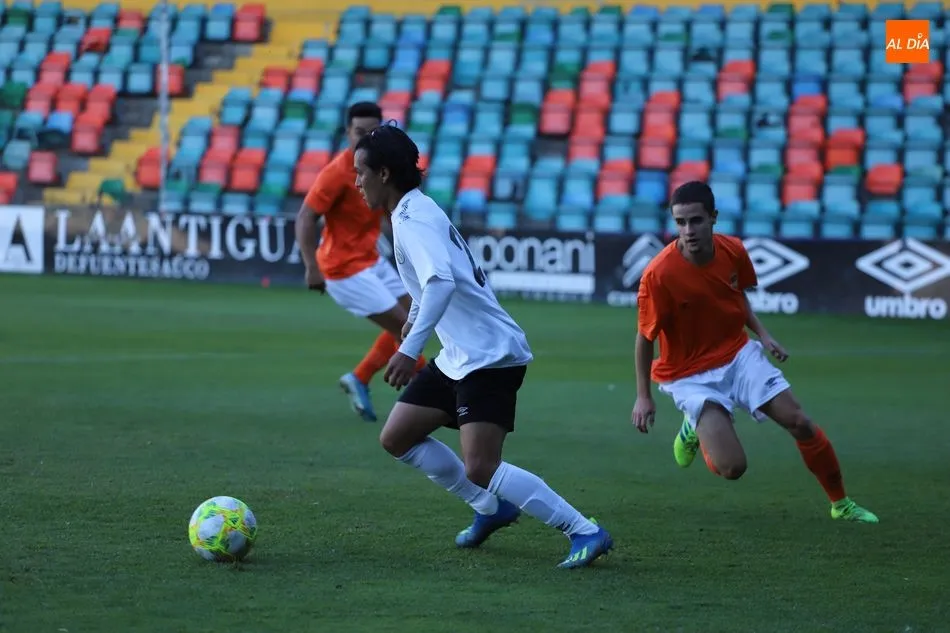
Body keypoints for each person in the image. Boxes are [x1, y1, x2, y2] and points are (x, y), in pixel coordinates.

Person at [352, 123, 614, 568]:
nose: (356, 181)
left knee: (481, 466)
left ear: (384, 174)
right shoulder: (411, 211)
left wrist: (409, 349)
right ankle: (489, 508)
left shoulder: (412, 220)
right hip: (460, 356)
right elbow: (429, 287)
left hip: (490, 356)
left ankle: (584, 531)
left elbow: (440, 282)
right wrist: (412, 324)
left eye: (361, 172)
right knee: (397, 437)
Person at [631, 181, 878, 524]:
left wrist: (763, 334)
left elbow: (735, 296)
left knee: (800, 422)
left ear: (713, 217)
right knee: (733, 468)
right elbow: (645, 337)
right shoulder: (659, 274)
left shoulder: (733, 250)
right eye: (680, 222)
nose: (688, 230)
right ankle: (693, 426)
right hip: (688, 376)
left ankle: (841, 504)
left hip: (738, 356)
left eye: (696, 220)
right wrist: (643, 396)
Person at [295, 102, 426, 422]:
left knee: (417, 316)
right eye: (359, 132)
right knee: (407, 331)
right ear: (347, 133)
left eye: (372, 132)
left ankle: (360, 378)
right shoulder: (336, 173)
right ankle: (435, 393)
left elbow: (387, 214)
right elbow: (305, 217)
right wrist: (311, 266)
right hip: (342, 270)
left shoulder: (382, 169)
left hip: (370, 259)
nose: (365, 137)